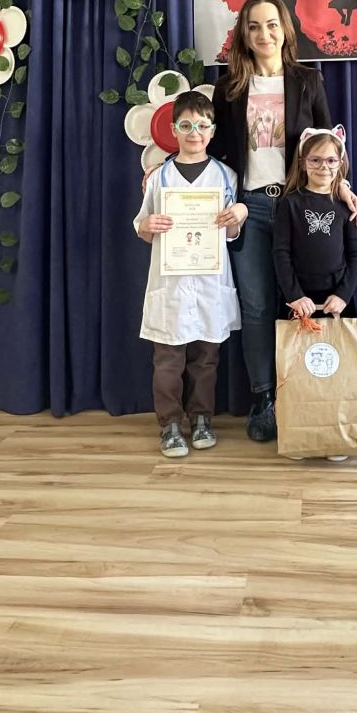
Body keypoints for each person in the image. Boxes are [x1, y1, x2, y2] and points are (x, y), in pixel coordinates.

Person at [210, 0, 357, 443]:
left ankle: (313, 393)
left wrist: (343, 185)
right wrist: (166, 168)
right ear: (244, 33)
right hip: (251, 208)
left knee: (308, 298)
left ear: (285, 29)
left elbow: (328, 145)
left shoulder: (308, 80)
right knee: (257, 306)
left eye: (272, 24)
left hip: (302, 206)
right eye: (254, 26)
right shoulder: (228, 86)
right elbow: (215, 152)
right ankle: (264, 398)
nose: (264, 34)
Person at [135, 91, 248, 458]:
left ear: (212, 131)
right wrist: (148, 225)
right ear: (173, 130)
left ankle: (201, 418)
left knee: (206, 358)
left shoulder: (226, 176)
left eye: (201, 125)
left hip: (209, 281)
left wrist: (238, 217)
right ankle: (169, 424)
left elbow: (231, 234)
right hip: (170, 282)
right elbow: (142, 225)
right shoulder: (159, 177)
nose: (194, 133)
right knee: (168, 359)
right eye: (185, 126)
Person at [272, 125, 357, 462]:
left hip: (336, 302)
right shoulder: (290, 204)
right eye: (315, 160)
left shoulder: (345, 205)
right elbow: (280, 253)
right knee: (298, 371)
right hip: (299, 302)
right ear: (303, 162)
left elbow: (355, 256)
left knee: (335, 370)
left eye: (330, 160)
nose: (323, 167)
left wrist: (343, 295)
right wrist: (294, 295)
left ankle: (335, 436)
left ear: (341, 163)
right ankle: (299, 434)